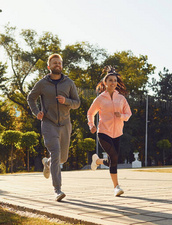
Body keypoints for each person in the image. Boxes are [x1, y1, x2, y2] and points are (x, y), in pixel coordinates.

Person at [27, 54, 80, 201]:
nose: (57, 65)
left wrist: (66, 101)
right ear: (49, 67)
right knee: (55, 152)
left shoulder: (69, 83)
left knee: (62, 158)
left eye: (59, 63)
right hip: (48, 123)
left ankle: (48, 163)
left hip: (65, 123)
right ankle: (58, 189)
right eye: (54, 63)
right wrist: (37, 112)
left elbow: (77, 103)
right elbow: (31, 98)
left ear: (62, 66)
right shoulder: (42, 83)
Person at [87, 66, 132, 196]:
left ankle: (98, 161)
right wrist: (91, 125)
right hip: (103, 132)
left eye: (115, 80)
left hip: (117, 132)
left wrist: (121, 116)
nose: (113, 82)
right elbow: (90, 113)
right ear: (105, 83)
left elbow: (128, 114)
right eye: (110, 80)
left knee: (114, 158)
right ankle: (116, 186)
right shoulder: (100, 99)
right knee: (114, 156)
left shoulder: (121, 99)